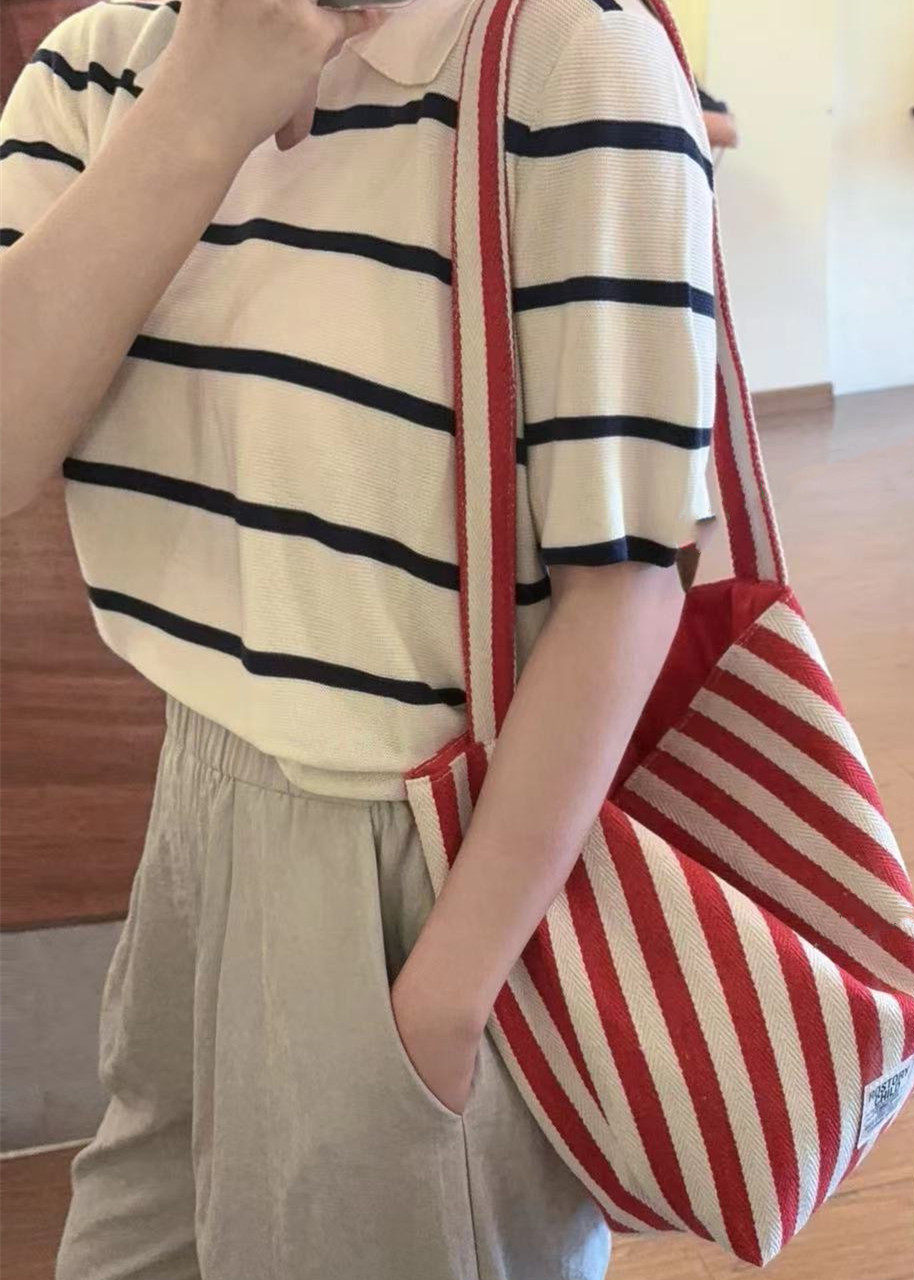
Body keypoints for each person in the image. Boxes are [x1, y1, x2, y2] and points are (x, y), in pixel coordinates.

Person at [0, 0, 716, 1274]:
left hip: (429, 851)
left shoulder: (566, 54)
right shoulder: (101, 62)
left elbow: (628, 582)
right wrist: (204, 107)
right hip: (190, 804)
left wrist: (443, 1000)